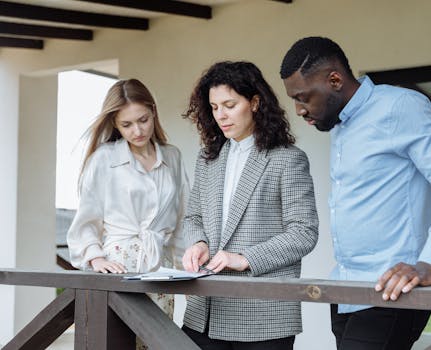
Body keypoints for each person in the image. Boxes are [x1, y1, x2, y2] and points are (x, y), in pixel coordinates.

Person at [280, 37, 431, 349]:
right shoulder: (340, 123)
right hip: (346, 289)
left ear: (334, 79)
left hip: (391, 291)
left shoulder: (399, 106)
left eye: (304, 97)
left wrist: (430, 262)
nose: (299, 109)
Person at [181, 61, 319, 350]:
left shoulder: (288, 159)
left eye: (230, 105)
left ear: (255, 102)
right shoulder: (208, 158)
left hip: (263, 315)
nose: (221, 115)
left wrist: (245, 258)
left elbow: (304, 232)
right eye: (215, 107)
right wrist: (198, 243)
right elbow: (193, 217)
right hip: (204, 312)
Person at [67, 78, 189, 349]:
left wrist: (189, 267)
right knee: (117, 343)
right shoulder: (103, 159)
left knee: (156, 343)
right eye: (126, 125)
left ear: (153, 112)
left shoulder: (173, 157)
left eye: (143, 119)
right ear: (114, 125)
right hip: (118, 265)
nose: (137, 130)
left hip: (160, 269)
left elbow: (181, 219)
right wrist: (95, 256)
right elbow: (87, 217)